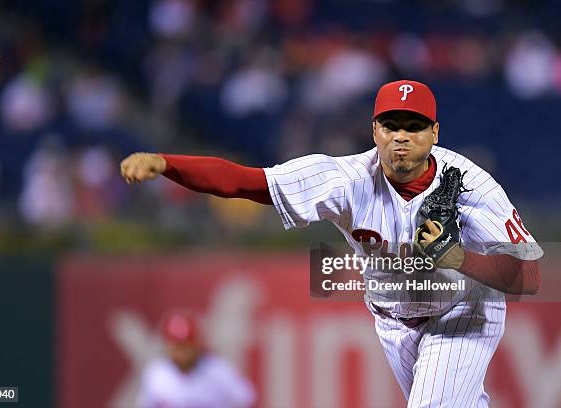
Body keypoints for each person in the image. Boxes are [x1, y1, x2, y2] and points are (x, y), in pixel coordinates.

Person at [121, 80, 543, 407]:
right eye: (391, 125)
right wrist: (168, 164)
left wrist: (459, 257)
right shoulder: (346, 180)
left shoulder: (471, 187)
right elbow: (250, 183)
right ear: (374, 130)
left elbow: (528, 274)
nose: (401, 136)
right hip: (393, 319)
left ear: (434, 133)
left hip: (463, 312)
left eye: (414, 127)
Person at [138, 311, 256, 408]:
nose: (182, 351)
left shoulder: (218, 371)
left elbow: (246, 399)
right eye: (177, 345)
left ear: (197, 343)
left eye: (186, 345)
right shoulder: (157, 374)